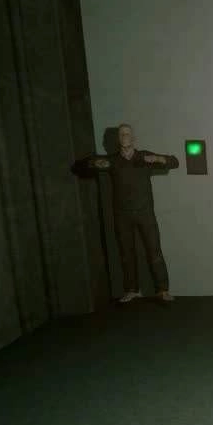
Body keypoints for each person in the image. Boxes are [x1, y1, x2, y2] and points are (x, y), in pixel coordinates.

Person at [71, 123, 178, 304]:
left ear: (133, 137)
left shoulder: (143, 157)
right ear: (118, 138)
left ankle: (163, 290)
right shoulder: (112, 160)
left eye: (127, 134)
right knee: (126, 253)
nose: (124, 137)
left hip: (145, 213)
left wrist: (157, 158)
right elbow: (79, 166)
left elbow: (174, 162)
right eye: (121, 134)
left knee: (154, 251)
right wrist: (94, 163)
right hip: (122, 215)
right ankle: (132, 290)